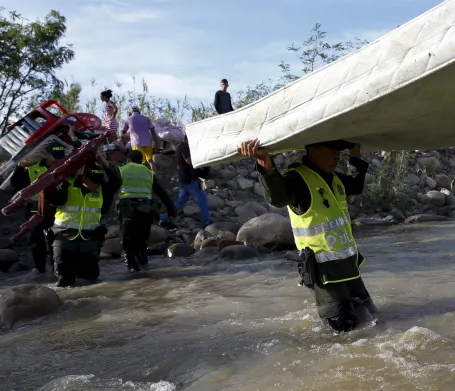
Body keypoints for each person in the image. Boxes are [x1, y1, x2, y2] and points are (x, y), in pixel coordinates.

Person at [238, 138, 377, 333]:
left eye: (339, 152)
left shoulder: (333, 178)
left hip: (348, 267)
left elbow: (356, 185)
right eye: (332, 151)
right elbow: (278, 197)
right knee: (343, 331)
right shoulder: (297, 180)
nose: (337, 157)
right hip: (325, 274)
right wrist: (265, 162)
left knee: (372, 318)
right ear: (312, 149)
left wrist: (355, 157)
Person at [45, 153, 122, 287]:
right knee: (64, 280)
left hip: (89, 241)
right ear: (83, 177)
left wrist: (103, 162)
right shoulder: (67, 186)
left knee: (90, 279)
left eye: (98, 181)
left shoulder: (102, 190)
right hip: (64, 238)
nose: (95, 185)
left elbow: (117, 180)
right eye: (93, 181)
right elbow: (51, 196)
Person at [10, 142, 67, 274]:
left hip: (56, 208)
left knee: (56, 239)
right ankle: (40, 269)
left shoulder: (64, 168)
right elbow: (15, 185)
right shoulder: (33, 168)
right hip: (35, 209)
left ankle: (56, 269)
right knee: (36, 240)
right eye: (55, 156)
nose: (58, 160)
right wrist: (20, 167)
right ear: (46, 154)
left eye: (61, 156)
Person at [118, 150, 176, 272]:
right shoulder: (148, 173)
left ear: (128, 160)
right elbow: (162, 193)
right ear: (141, 161)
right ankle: (144, 267)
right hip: (145, 210)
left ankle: (133, 270)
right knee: (141, 240)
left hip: (128, 210)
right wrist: (171, 211)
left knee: (128, 242)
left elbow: (109, 188)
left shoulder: (122, 170)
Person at [159, 135, 211, 228]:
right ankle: (206, 222)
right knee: (202, 200)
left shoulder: (180, 146)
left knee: (180, 202)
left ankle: (163, 218)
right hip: (190, 179)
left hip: (184, 179)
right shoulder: (184, 147)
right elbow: (189, 161)